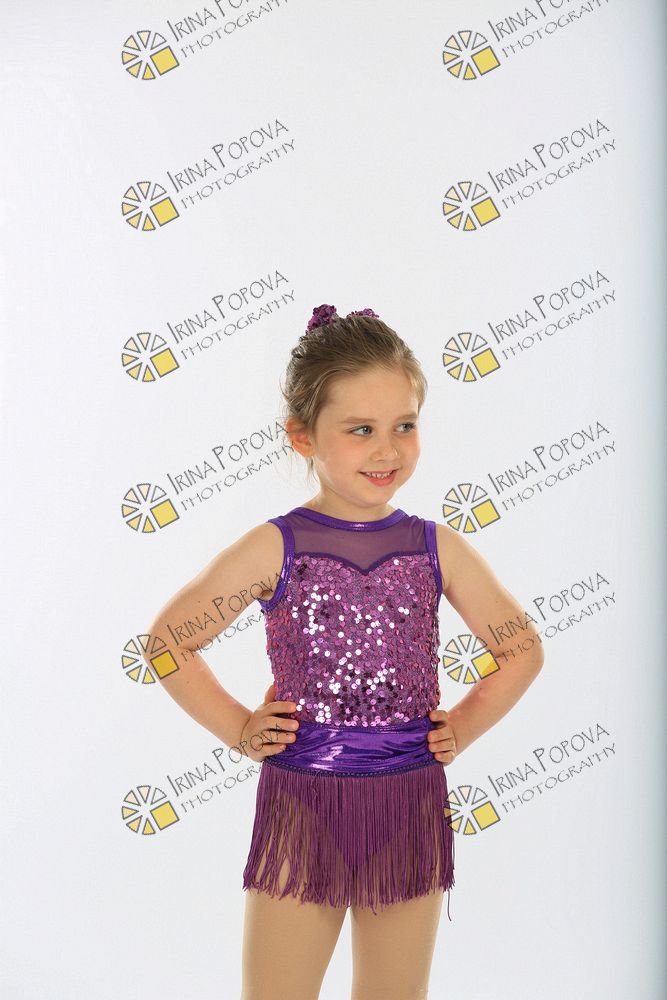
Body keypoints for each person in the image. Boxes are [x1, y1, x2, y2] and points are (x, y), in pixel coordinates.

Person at [145, 304, 544, 1000]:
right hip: (304, 801)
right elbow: (169, 642)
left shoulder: (435, 547)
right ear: (302, 435)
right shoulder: (276, 546)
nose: (387, 450)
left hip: (408, 802)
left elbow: (521, 649)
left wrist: (462, 726)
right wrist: (240, 728)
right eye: (361, 430)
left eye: (404, 426)